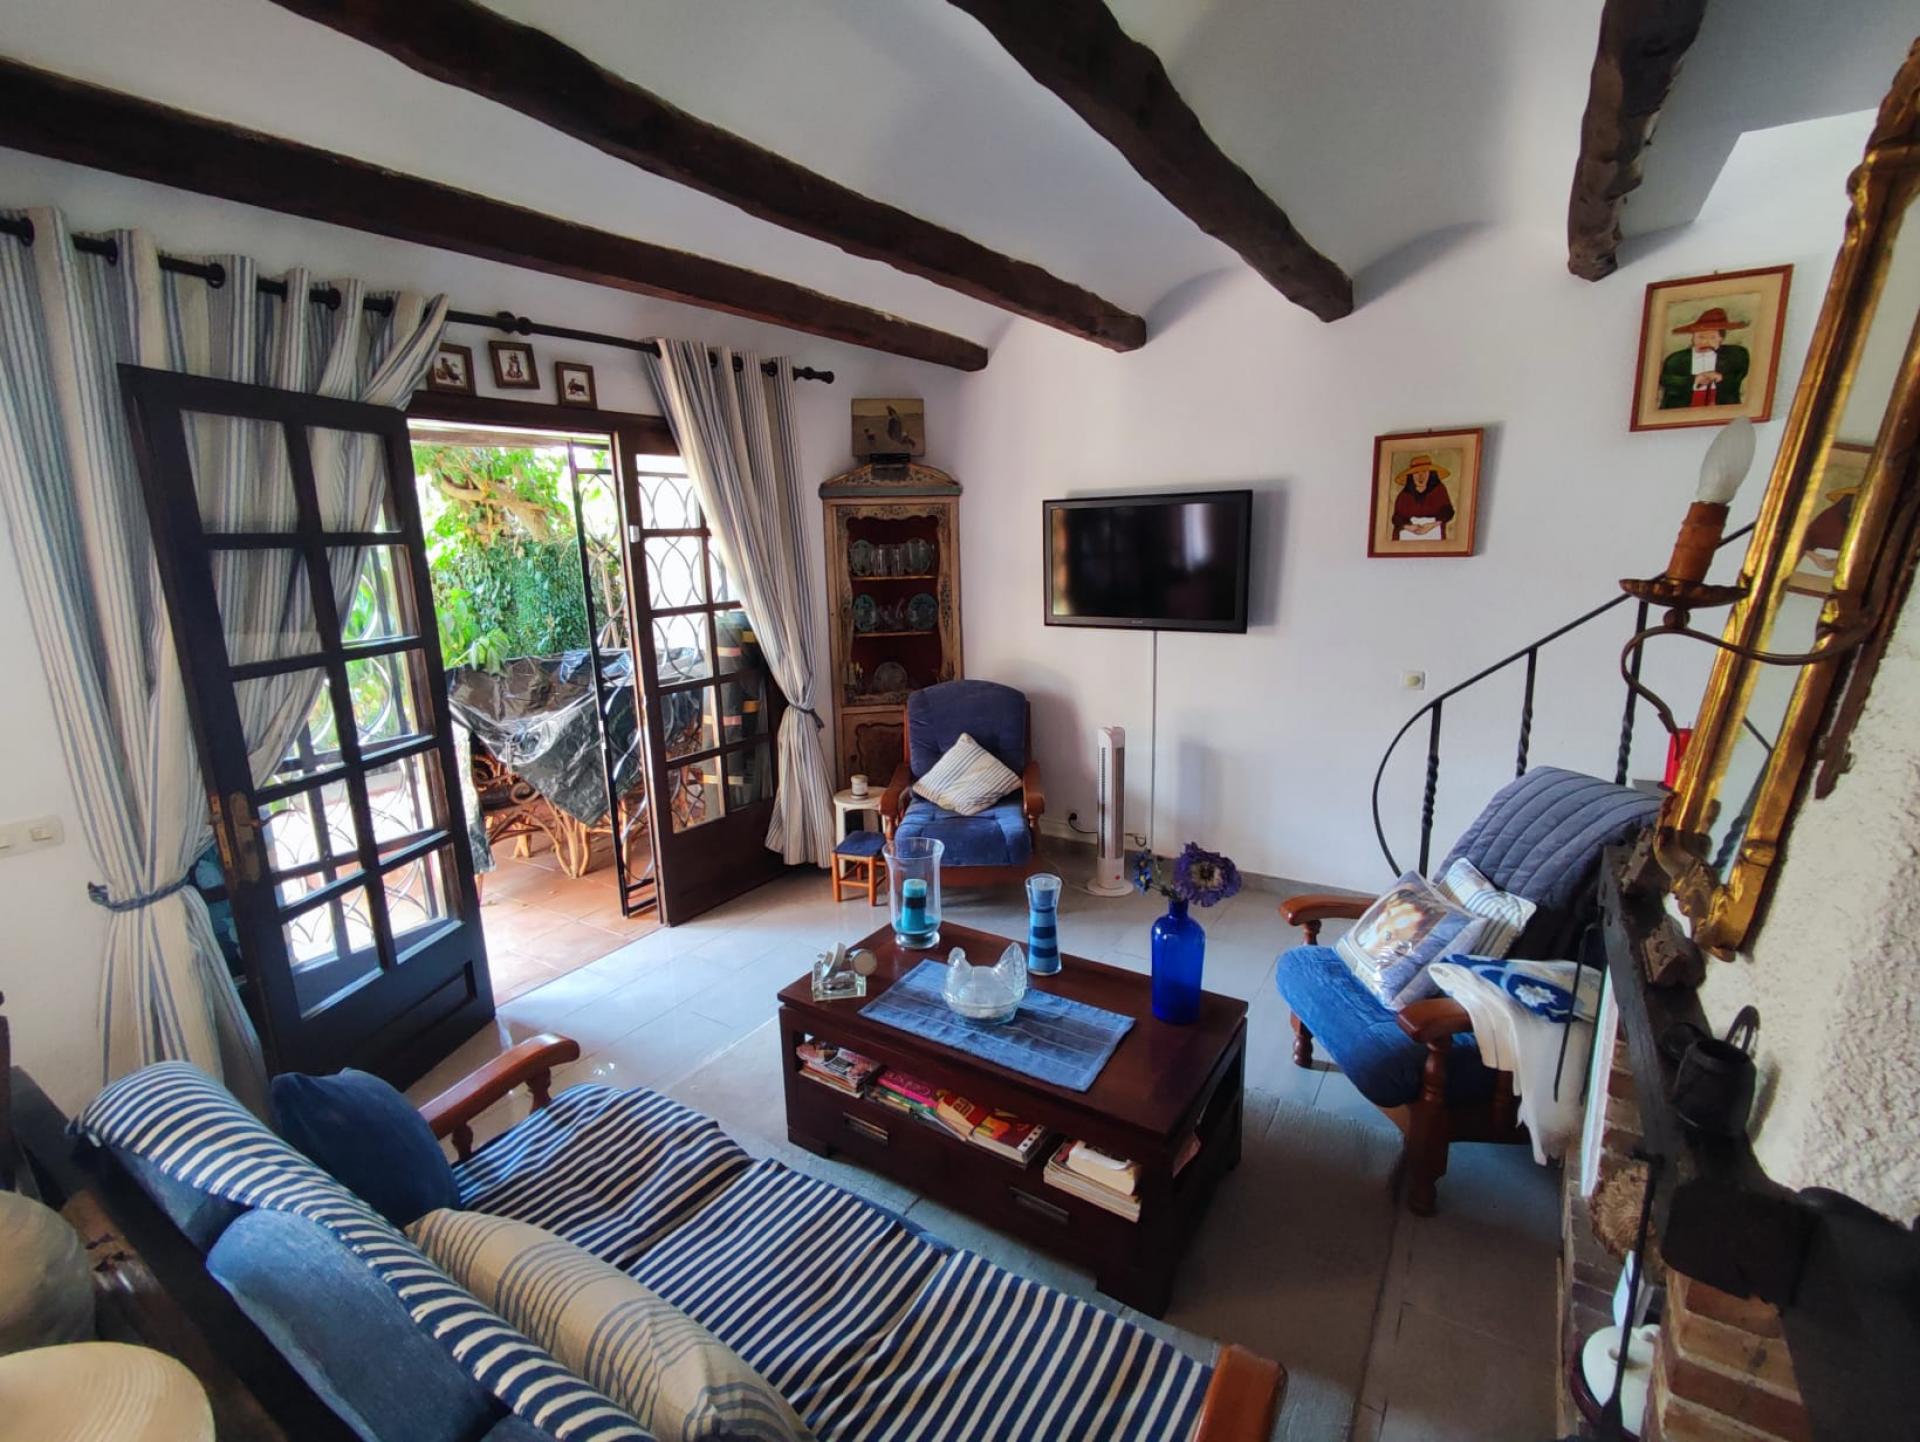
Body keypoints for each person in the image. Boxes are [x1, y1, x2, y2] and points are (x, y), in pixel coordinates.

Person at [1659, 306, 1750, 410]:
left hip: (1721, 409)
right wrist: (1694, 380)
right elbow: (1666, 380)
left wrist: (1720, 377)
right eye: (1700, 337)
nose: (1705, 342)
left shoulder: (1735, 354)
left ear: (1721, 338)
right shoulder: (1676, 359)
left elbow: (1737, 376)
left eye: (1712, 337)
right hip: (1683, 409)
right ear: (1693, 337)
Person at [1389, 453, 1455, 541]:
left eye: (1424, 472)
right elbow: (1397, 518)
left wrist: (1431, 525)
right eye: (1416, 473)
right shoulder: (1404, 496)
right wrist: (1409, 527)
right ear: (1411, 476)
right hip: (1407, 537)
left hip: (1434, 535)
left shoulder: (1439, 490)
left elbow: (1448, 512)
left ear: (1430, 474)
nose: (1421, 476)